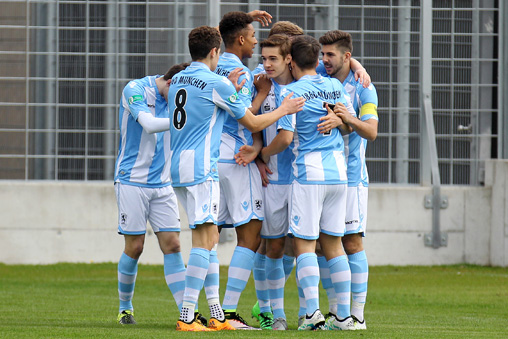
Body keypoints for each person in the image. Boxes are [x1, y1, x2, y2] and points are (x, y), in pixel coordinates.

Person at [168, 25, 305, 331]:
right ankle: (188, 315)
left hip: (176, 165)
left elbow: (206, 107)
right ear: (215, 52)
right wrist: (283, 107)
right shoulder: (217, 82)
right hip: (203, 165)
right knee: (205, 240)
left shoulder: (179, 78)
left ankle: (217, 312)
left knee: (210, 238)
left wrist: (227, 86)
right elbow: (252, 120)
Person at [258, 35, 356, 331]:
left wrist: (261, 154)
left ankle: (312, 314)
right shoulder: (334, 85)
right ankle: (343, 316)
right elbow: (350, 124)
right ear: (316, 59)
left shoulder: (293, 93)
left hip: (308, 175)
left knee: (304, 246)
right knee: (334, 246)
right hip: (338, 174)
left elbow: (285, 138)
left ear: (290, 61)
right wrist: (339, 121)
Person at [114, 62, 189, 325]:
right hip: (132, 180)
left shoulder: (179, 94)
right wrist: (185, 119)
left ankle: (185, 313)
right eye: (181, 95)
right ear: (170, 83)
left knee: (174, 245)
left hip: (163, 183)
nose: (183, 102)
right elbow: (148, 123)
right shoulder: (135, 89)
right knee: (135, 247)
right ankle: (125, 308)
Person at [213, 11, 271, 329]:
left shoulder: (208, 66)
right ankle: (230, 313)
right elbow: (246, 116)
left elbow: (212, 32)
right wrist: (262, 93)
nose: (254, 41)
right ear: (240, 39)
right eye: (251, 35)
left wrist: (243, 16)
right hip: (237, 158)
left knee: (207, 235)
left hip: (209, 161)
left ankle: (198, 310)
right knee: (250, 234)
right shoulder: (242, 73)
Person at [318, 29, 379, 330]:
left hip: (352, 177)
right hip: (325, 175)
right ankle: (335, 313)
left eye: (331, 55)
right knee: (321, 244)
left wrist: (347, 118)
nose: (324, 60)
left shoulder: (364, 89)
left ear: (346, 56)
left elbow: (371, 131)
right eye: (322, 54)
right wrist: (357, 64)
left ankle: (358, 315)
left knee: (352, 242)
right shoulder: (320, 74)